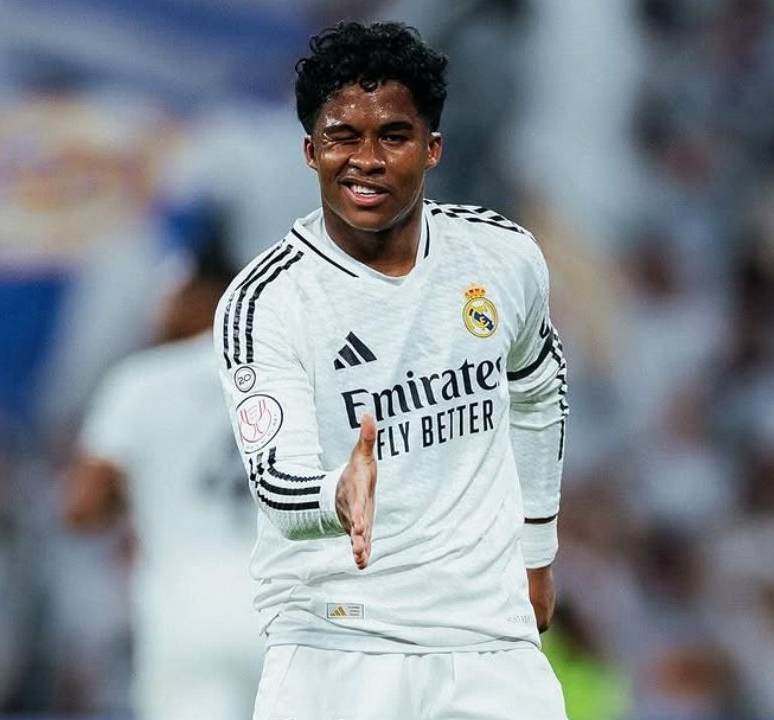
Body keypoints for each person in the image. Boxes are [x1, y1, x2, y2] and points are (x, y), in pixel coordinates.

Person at [213, 21, 570, 718]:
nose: (367, 160)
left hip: (489, 645)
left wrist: (537, 552)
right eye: (343, 137)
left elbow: (537, 391)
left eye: (394, 136)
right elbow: (277, 483)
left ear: (433, 148)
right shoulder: (267, 302)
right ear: (310, 151)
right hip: (337, 646)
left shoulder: (503, 256)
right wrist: (337, 494)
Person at [65, 234, 263, 719]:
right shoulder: (291, 372)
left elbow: (82, 507)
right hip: (288, 609)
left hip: (185, 616)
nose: (158, 309)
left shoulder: (141, 383)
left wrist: (137, 495)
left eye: (171, 293)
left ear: (207, 296)